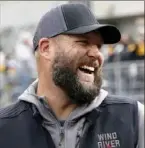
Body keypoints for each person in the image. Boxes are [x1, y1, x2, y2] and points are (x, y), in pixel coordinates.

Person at [0, 3, 144, 148]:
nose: (97, 54)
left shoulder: (133, 118)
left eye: (99, 46)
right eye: (83, 42)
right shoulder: (5, 127)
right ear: (46, 48)